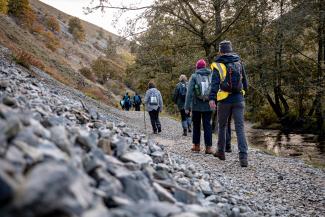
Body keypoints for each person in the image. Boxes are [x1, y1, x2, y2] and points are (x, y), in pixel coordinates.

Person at [209, 40, 249, 167]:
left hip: (224, 100)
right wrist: (242, 94)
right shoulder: (238, 62)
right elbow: (245, 83)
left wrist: (212, 99)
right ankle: (243, 157)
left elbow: (214, 84)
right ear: (231, 50)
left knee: (222, 126)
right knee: (240, 128)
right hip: (238, 99)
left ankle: (221, 152)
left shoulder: (217, 64)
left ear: (220, 51)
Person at [185, 59, 213, 154]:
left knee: (196, 125)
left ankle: (196, 146)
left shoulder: (194, 76)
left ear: (197, 67)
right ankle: (208, 148)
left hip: (196, 106)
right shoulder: (211, 75)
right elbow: (214, 90)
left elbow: (189, 93)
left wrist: (187, 107)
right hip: (208, 105)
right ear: (205, 66)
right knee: (207, 126)